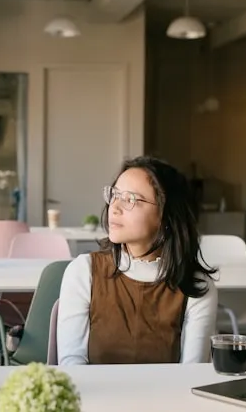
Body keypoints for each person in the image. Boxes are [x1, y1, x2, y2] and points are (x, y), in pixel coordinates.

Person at [57, 156, 218, 365]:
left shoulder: (197, 287)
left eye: (131, 199)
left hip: (167, 397)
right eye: (114, 194)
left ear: (166, 215)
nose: (114, 207)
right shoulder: (82, 271)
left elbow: (190, 375)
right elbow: (72, 367)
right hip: (95, 397)